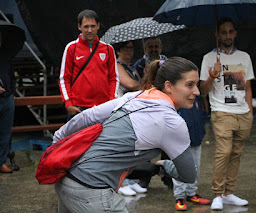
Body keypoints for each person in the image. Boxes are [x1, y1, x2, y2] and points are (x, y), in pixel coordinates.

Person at [53, 57, 200, 212]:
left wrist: (57, 142)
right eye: (189, 85)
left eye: (196, 84)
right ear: (169, 86)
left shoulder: (135, 96)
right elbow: (189, 175)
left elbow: (87, 116)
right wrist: (164, 166)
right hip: (91, 188)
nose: (196, 91)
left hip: (66, 177)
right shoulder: (172, 122)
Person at [200, 17, 254, 210]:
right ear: (217, 35)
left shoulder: (244, 57)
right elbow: (204, 90)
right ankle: (217, 194)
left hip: (243, 113)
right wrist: (212, 75)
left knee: (236, 154)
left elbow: (247, 87)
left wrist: (250, 112)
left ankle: (229, 193)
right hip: (222, 112)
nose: (228, 35)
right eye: (223, 32)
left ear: (235, 33)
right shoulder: (209, 58)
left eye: (231, 31)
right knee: (224, 152)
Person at [59, 9, 118, 121]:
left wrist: (111, 101)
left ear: (98, 26)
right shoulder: (71, 48)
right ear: (79, 27)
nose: (89, 30)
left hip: (103, 107)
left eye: (93, 26)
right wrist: (68, 104)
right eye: (86, 27)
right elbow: (64, 78)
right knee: (76, 139)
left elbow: (113, 78)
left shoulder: (108, 49)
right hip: (78, 107)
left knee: (103, 139)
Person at [133, 36, 173, 189]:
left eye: (156, 46)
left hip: (165, 108)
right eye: (150, 47)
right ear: (145, 49)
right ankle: (144, 179)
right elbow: (137, 87)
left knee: (168, 145)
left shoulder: (169, 63)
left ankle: (168, 177)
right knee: (145, 145)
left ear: (161, 47)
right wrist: (146, 76)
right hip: (146, 110)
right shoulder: (139, 65)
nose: (154, 49)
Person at [113, 41, 147, 196]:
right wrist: (144, 86)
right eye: (125, 47)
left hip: (133, 111)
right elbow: (130, 84)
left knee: (131, 148)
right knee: (122, 148)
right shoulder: (117, 65)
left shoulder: (131, 67)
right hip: (121, 110)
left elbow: (139, 84)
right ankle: (121, 183)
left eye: (131, 48)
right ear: (118, 50)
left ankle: (130, 180)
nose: (128, 51)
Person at [173, 96, 211, 211]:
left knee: (196, 167)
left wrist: (202, 131)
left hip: (196, 137)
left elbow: (200, 115)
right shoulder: (176, 99)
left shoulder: (196, 97)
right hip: (180, 141)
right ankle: (179, 197)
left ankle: (192, 193)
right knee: (179, 168)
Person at [0, 31, 15, 173]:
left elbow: (11, 74)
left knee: (5, 132)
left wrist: (11, 92)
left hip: (6, 98)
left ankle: (2, 162)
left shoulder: (5, 54)